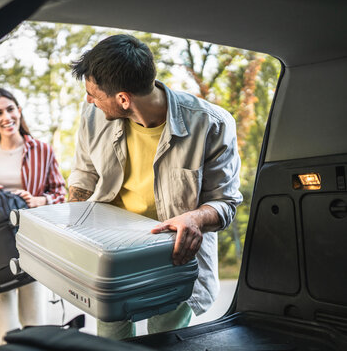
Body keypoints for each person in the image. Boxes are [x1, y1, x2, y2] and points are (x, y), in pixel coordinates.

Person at [68, 34, 243, 340]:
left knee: (166, 340)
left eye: (93, 94)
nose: (89, 100)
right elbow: (83, 178)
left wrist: (195, 218)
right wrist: (69, 235)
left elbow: (225, 203)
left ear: (123, 98)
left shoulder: (212, 124)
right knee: (111, 341)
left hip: (173, 259)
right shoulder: (92, 116)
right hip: (110, 256)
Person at [0, 88, 66, 346]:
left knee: (35, 316)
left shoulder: (42, 150)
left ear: (19, 111)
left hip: (32, 242)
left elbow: (60, 192)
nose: (6, 117)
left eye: (10, 109)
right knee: (2, 322)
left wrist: (39, 200)